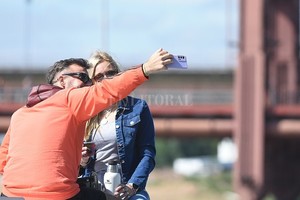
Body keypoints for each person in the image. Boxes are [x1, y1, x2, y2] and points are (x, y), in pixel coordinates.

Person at [0, 48, 173, 200]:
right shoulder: (70, 98)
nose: (88, 84)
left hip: (10, 195)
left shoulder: (20, 113)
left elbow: (3, 161)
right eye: (83, 77)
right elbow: (108, 90)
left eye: (88, 79)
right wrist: (145, 69)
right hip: (58, 194)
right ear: (62, 81)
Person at [79, 51, 155, 200]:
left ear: (119, 75)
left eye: (111, 73)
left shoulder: (138, 107)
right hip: (92, 191)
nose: (106, 79)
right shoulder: (83, 112)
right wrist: (82, 161)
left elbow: (147, 155)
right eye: (99, 76)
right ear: (91, 81)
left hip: (127, 190)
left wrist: (132, 186)